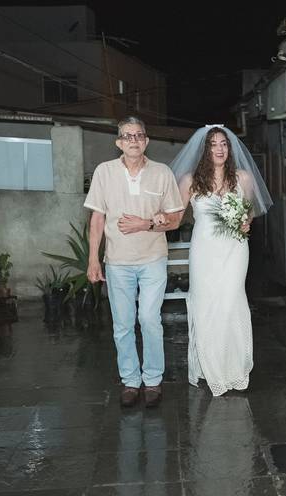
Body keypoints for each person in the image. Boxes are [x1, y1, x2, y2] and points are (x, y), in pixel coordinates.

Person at [161, 125, 272, 396]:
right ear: (204, 150)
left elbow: (249, 212)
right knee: (207, 304)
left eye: (224, 144)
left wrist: (246, 222)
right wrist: (151, 221)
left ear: (230, 149)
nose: (219, 149)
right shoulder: (189, 180)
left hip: (235, 249)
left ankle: (234, 365)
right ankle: (209, 366)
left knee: (232, 301)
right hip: (204, 251)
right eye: (213, 144)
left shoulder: (243, 178)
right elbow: (174, 216)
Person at [84, 116, 184, 408]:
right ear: (119, 143)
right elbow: (97, 219)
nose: (133, 140)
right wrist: (93, 260)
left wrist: (147, 224)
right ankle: (130, 381)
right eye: (127, 136)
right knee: (123, 324)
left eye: (139, 135)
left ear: (146, 141)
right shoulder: (104, 172)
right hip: (117, 261)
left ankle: (152, 380)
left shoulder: (162, 173)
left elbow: (175, 219)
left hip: (153, 258)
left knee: (150, 319)